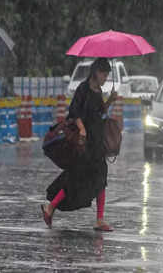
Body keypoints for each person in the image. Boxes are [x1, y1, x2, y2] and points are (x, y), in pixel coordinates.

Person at [41, 58, 117, 231]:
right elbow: (74, 112)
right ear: (96, 72)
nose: (106, 77)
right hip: (84, 143)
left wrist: (110, 101)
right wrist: (82, 129)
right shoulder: (83, 89)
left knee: (100, 178)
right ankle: (50, 207)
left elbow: (99, 112)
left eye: (107, 74)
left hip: (96, 142)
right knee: (76, 178)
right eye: (104, 74)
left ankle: (99, 219)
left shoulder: (98, 90)